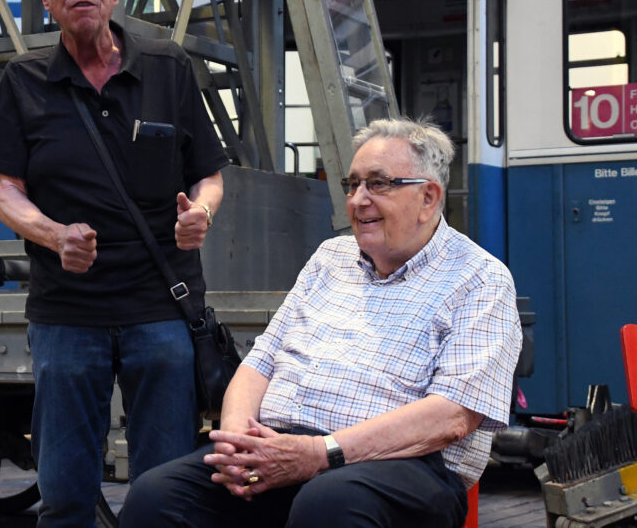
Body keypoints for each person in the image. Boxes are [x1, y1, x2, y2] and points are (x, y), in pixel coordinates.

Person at [121, 117, 522, 528]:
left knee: (328, 503)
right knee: (156, 497)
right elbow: (260, 363)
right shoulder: (330, 258)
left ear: (429, 197)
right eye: (353, 185)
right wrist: (239, 444)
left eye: (378, 184)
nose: (358, 200)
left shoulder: (479, 279)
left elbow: (451, 417)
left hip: (401, 464)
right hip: (282, 448)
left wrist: (320, 453)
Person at [0, 0, 228, 527]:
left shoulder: (168, 67)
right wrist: (53, 235)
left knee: (165, 490)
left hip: (161, 308)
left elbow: (210, 175)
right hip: (67, 315)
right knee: (62, 491)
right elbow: (5, 192)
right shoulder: (24, 80)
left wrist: (202, 213)